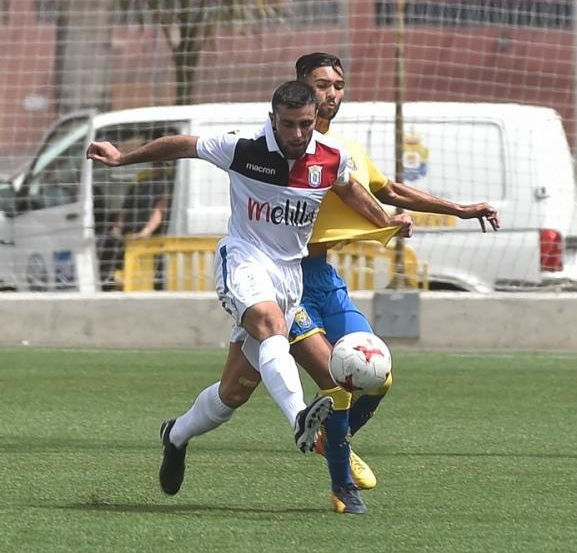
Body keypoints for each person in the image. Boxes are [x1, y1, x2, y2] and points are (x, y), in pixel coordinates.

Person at [159, 54, 501, 515]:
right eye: (321, 84)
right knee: (334, 380)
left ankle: (201, 434)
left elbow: (387, 192)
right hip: (267, 273)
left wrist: (457, 210)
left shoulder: (340, 153)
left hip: (316, 279)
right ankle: (341, 481)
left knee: (363, 375)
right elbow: (193, 146)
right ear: (298, 89)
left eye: (339, 84)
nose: (332, 94)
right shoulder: (262, 144)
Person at [86, 80, 409, 503]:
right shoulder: (244, 147)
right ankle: (300, 421)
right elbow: (182, 144)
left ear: (315, 121)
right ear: (273, 118)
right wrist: (123, 158)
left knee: (234, 392)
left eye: (305, 125)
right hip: (243, 260)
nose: (296, 134)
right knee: (272, 324)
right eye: (288, 124)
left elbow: (349, 189)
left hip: (289, 277)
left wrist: (385, 219)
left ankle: (176, 435)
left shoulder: (331, 157)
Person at [97, 161, 170, 289]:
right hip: (130, 232)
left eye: (160, 164)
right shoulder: (140, 183)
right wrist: (117, 228)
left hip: (151, 236)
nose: (157, 166)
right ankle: (109, 280)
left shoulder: (167, 184)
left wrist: (145, 232)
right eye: (155, 163)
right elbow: (125, 209)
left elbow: (159, 211)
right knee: (108, 242)